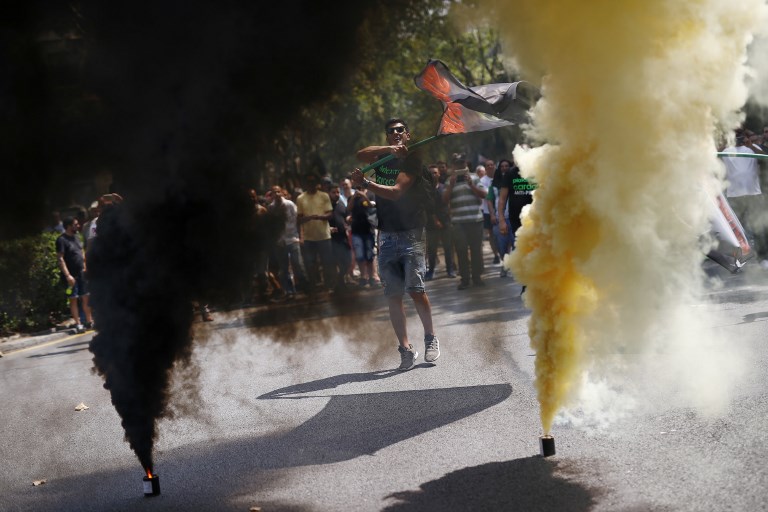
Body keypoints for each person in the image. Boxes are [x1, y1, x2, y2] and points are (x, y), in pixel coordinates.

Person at [351, 118, 440, 371]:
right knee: (393, 294)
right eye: (391, 131)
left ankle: (430, 338)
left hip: (412, 233)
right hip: (387, 235)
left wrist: (365, 183)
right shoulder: (383, 157)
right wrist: (389, 150)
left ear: (407, 135)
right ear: (388, 136)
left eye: (400, 130)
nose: (396, 133)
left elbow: (396, 191)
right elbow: (361, 154)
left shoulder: (413, 160)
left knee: (416, 290)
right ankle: (405, 348)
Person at [720, 127, 768, 266]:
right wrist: (727, 141)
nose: (738, 138)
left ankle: (763, 258)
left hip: (753, 194)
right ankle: (738, 260)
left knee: (758, 228)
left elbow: (765, 158)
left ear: (746, 136)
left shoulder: (753, 148)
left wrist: (750, 145)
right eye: (735, 135)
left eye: (740, 135)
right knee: (736, 231)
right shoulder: (726, 151)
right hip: (735, 196)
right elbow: (714, 157)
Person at [443, 154, 487, 289]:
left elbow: (484, 194)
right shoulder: (449, 181)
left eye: (462, 163)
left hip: (475, 220)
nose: (460, 165)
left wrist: (471, 185)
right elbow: (444, 200)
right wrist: (451, 186)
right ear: (453, 166)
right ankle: (465, 279)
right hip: (458, 222)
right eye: (457, 163)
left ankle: (477, 277)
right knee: (461, 251)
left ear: (465, 164)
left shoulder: (474, 177)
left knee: (476, 250)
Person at [296, 173, 335, 297]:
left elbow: (330, 214)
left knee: (327, 262)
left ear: (316, 183)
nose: (311, 184)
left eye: (313, 181)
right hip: (309, 237)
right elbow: (299, 219)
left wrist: (320, 217)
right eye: (308, 182)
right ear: (305, 184)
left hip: (324, 235)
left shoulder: (324, 196)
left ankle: (328, 285)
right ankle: (314, 287)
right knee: (310, 264)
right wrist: (308, 218)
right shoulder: (300, 198)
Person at [269, 185, 307, 300]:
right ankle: (290, 291)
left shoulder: (289, 204)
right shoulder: (271, 208)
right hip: (280, 241)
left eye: (278, 192)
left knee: (298, 264)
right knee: (284, 268)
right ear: (271, 195)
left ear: (281, 192)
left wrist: (301, 236)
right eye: (274, 192)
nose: (277, 194)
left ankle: (305, 287)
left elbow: (298, 220)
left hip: (293, 238)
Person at [56, 216, 94, 332]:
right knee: (73, 299)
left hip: (81, 273)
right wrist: (68, 276)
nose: (78, 226)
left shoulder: (77, 238)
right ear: (69, 226)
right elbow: (60, 259)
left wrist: (85, 267)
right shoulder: (61, 240)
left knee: (86, 297)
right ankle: (78, 324)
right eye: (75, 224)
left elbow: (82, 253)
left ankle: (89, 321)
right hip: (71, 276)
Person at [425, 163, 455, 280]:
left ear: (439, 174)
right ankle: (431, 271)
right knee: (432, 249)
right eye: (431, 173)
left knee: (448, 247)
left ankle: (450, 270)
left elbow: (449, 202)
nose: (433, 175)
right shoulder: (426, 189)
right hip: (431, 224)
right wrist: (435, 220)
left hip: (446, 221)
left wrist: (450, 214)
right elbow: (428, 207)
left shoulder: (443, 187)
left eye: (435, 172)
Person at [347, 183, 378, 288]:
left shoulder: (370, 195)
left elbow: (371, 206)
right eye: (357, 186)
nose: (359, 188)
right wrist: (353, 197)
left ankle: (372, 277)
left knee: (369, 255)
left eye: (360, 186)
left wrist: (364, 196)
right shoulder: (352, 197)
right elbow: (348, 209)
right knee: (360, 256)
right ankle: (363, 277)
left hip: (368, 230)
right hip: (356, 231)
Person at [328, 185, 352, 293]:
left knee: (348, 261)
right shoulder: (327, 206)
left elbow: (346, 216)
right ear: (329, 193)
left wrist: (348, 219)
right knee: (335, 263)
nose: (336, 194)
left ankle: (339, 280)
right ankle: (338, 284)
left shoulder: (341, 204)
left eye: (338, 192)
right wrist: (328, 229)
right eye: (333, 192)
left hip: (343, 237)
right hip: (331, 239)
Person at [481, 159, 501, 264]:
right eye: (488, 165)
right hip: (488, 212)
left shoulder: (500, 177)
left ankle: (504, 253)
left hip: (501, 210)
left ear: (494, 166)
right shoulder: (482, 180)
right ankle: (496, 255)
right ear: (485, 168)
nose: (490, 166)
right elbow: (486, 194)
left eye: (491, 165)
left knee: (502, 232)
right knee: (492, 234)